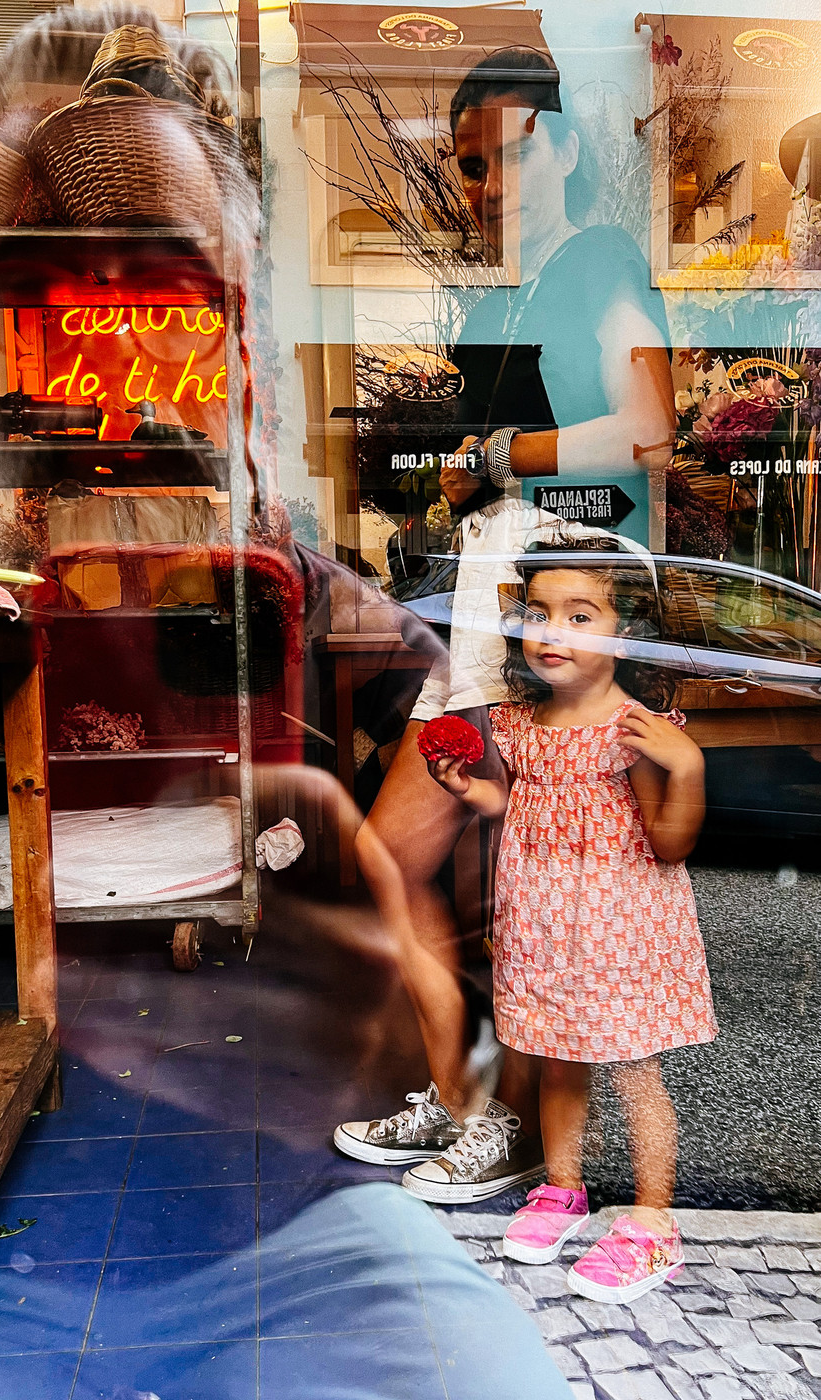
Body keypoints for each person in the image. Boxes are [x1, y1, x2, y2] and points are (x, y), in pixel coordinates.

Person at [334, 44, 675, 1196]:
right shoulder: (509, 291)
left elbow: (648, 422)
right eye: (471, 165)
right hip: (490, 609)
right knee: (403, 857)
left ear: (564, 148)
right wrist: (468, 478)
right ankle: (471, 1095)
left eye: (508, 155)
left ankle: (506, 1122)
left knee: (509, 882)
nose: (486, 184)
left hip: (554, 619)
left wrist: (502, 454)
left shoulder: (599, 259)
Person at [422, 536, 717, 1301]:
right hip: (542, 928)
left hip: (619, 934)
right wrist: (468, 790)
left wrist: (687, 766)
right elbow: (520, 802)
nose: (552, 632)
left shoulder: (635, 731)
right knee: (558, 1061)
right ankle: (563, 1187)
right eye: (539, 613)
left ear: (627, 632)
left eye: (581, 616)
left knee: (634, 1073)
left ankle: (654, 1222)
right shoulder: (524, 723)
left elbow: (670, 843)